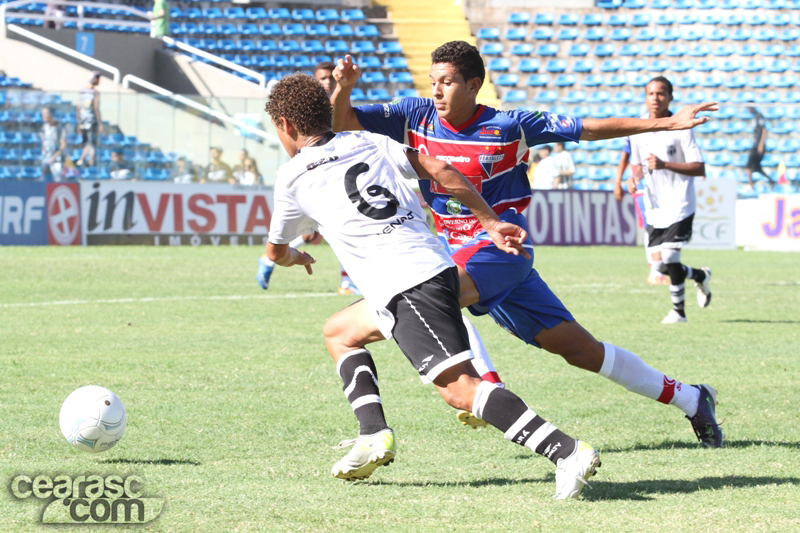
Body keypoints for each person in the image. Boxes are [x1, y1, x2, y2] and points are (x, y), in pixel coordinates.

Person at [329, 41, 723, 447]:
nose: (437, 91)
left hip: (500, 251)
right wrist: (343, 87)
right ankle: (693, 398)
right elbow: (340, 124)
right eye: (433, 82)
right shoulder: (414, 115)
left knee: (434, 296)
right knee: (582, 351)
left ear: (473, 85)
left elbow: (586, 128)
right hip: (456, 252)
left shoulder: (511, 125)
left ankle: (461, 397)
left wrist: (666, 123)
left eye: (447, 82)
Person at [264, 72, 601, 499]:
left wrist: (296, 257)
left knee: (460, 391)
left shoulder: (292, 176)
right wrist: (491, 221)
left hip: (405, 283)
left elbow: (276, 252)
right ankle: (372, 434)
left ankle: (565, 451)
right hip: (431, 267)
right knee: (340, 333)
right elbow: (439, 168)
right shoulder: (371, 140)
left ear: (287, 127)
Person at [257, 61, 361, 295]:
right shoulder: (302, 109)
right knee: (335, 229)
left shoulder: (335, 105)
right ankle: (346, 282)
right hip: (316, 175)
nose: (326, 82)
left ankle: (269, 259)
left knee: (322, 232)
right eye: (321, 79)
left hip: (337, 171)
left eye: (330, 79)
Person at [627, 76, 712, 325]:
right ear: (645, 97)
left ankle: (679, 312)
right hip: (654, 205)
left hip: (679, 203)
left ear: (670, 97)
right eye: (651, 93)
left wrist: (665, 165)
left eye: (661, 93)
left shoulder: (682, 128)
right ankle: (699, 275)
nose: (656, 98)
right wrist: (634, 179)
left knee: (671, 259)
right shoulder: (638, 128)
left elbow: (699, 167)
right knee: (660, 266)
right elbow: (638, 165)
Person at [614, 136, 670, 286]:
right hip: (642, 187)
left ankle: (659, 270)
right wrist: (617, 182)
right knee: (651, 227)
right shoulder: (634, 135)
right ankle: (655, 272)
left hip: (660, 186)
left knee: (661, 227)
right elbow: (624, 158)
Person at [76, 71, 102, 167]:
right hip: (91, 121)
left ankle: (82, 159)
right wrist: (100, 123)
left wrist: (79, 122)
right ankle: (87, 161)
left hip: (83, 121)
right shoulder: (94, 92)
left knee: (87, 142)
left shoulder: (82, 91)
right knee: (91, 143)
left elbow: (78, 107)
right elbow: (96, 108)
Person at [745, 106, 770, 189]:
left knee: (748, 167)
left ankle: (750, 187)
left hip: (758, 146)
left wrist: (761, 144)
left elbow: (764, 130)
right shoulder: (755, 117)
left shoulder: (759, 116)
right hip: (756, 144)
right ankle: (771, 180)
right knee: (756, 167)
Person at [40, 107, 67, 182]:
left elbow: (63, 145)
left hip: (56, 159)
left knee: (57, 180)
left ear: (51, 114)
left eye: (46, 114)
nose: (44, 116)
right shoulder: (44, 127)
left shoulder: (59, 128)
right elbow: (44, 142)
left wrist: (54, 156)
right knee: (42, 179)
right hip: (45, 158)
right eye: (43, 114)